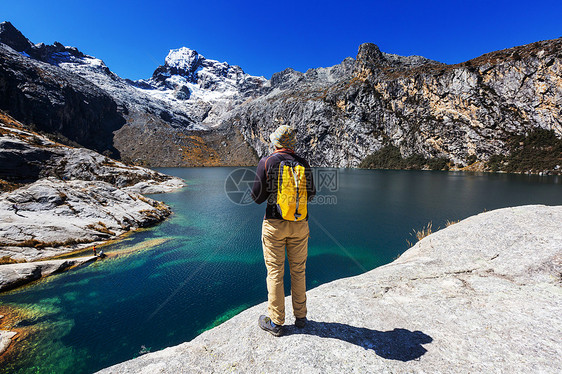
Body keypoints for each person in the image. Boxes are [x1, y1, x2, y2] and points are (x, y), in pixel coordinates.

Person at [251, 125, 316, 337]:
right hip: (300, 224)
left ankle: (277, 322)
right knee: (298, 270)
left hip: (274, 225)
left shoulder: (268, 161)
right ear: (292, 143)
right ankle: (301, 318)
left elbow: (257, 197)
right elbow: (312, 194)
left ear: (276, 142)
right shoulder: (303, 163)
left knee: (275, 272)